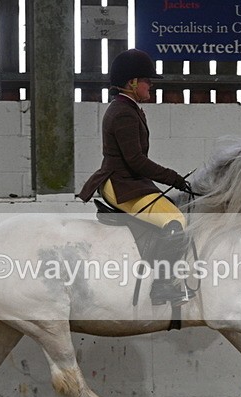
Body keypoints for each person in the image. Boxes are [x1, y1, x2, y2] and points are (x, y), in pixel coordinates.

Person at [77, 49, 193, 305]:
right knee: (174, 222)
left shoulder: (129, 108)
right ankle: (162, 286)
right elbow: (136, 161)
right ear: (132, 83)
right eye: (147, 81)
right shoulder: (123, 113)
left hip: (131, 181)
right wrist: (172, 177)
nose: (150, 86)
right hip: (121, 184)